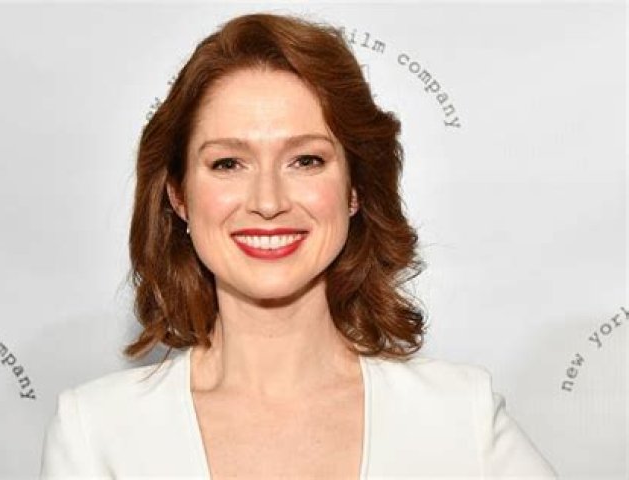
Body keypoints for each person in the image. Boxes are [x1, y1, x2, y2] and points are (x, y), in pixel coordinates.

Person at [40, 12, 558, 479]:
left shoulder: (460, 418)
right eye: (228, 163)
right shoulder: (96, 434)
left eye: (306, 160)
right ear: (179, 196)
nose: (268, 201)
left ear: (354, 189)